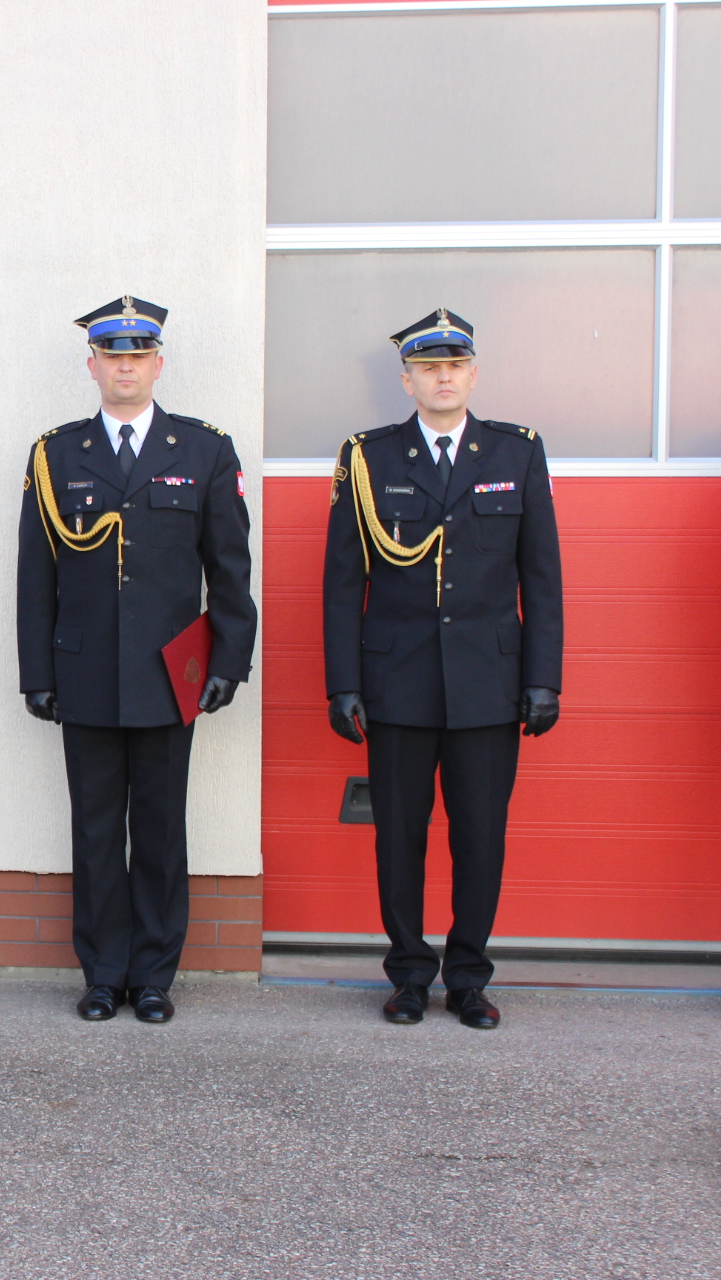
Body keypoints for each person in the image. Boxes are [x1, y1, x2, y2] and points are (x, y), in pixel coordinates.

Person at [16, 297, 257, 1024]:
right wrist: (37, 673)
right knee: (94, 832)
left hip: (169, 674)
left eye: (138, 356)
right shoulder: (56, 455)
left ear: (158, 364)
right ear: (92, 366)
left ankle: (152, 975)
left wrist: (229, 659)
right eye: (112, 356)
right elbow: (36, 574)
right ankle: (102, 974)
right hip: (84, 670)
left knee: (158, 829)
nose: (126, 367)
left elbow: (229, 568)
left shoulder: (204, 451)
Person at [322, 309, 562, 1030]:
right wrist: (344, 683)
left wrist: (542, 678)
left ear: (474, 375)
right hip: (397, 683)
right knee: (399, 837)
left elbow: (541, 577)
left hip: (488, 684)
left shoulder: (516, 453)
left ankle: (467, 978)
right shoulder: (369, 458)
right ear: (408, 381)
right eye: (429, 368)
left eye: (455, 365)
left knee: (480, 837)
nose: (443, 377)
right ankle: (407, 975)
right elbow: (342, 582)